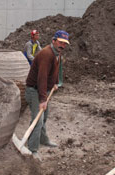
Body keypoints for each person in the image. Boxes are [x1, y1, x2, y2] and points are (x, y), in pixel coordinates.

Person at [25, 30, 70, 161]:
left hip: (43, 90)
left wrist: (55, 82)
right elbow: (42, 77)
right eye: (60, 42)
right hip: (34, 90)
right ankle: (32, 149)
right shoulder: (46, 54)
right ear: (54, 40)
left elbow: (55, 70)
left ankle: (43, 140)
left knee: (44, 117)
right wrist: (43, 99)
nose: (62, 45)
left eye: (65, 43)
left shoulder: (57, 54)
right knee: (37, 120)